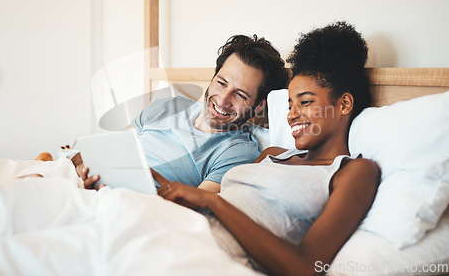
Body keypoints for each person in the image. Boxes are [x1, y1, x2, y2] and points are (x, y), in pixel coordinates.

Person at [151, 21, 380, 275]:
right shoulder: (273, 155)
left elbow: (305, 267)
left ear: (345, 104)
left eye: (305, 102)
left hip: (212, 260)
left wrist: (211, 201)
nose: (292, 115)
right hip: (177, 234)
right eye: (290, 105)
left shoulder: (355, 171)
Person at [79, 34, 289, 193]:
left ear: (259, 106)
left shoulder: (237, 152)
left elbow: (196, 204)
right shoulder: (166, 106)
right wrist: (83, 171)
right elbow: (108, 148)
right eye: (221, 83)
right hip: (94, 190)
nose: (223, 100)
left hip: (135, 205)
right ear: (213, 77)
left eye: (240, 95)